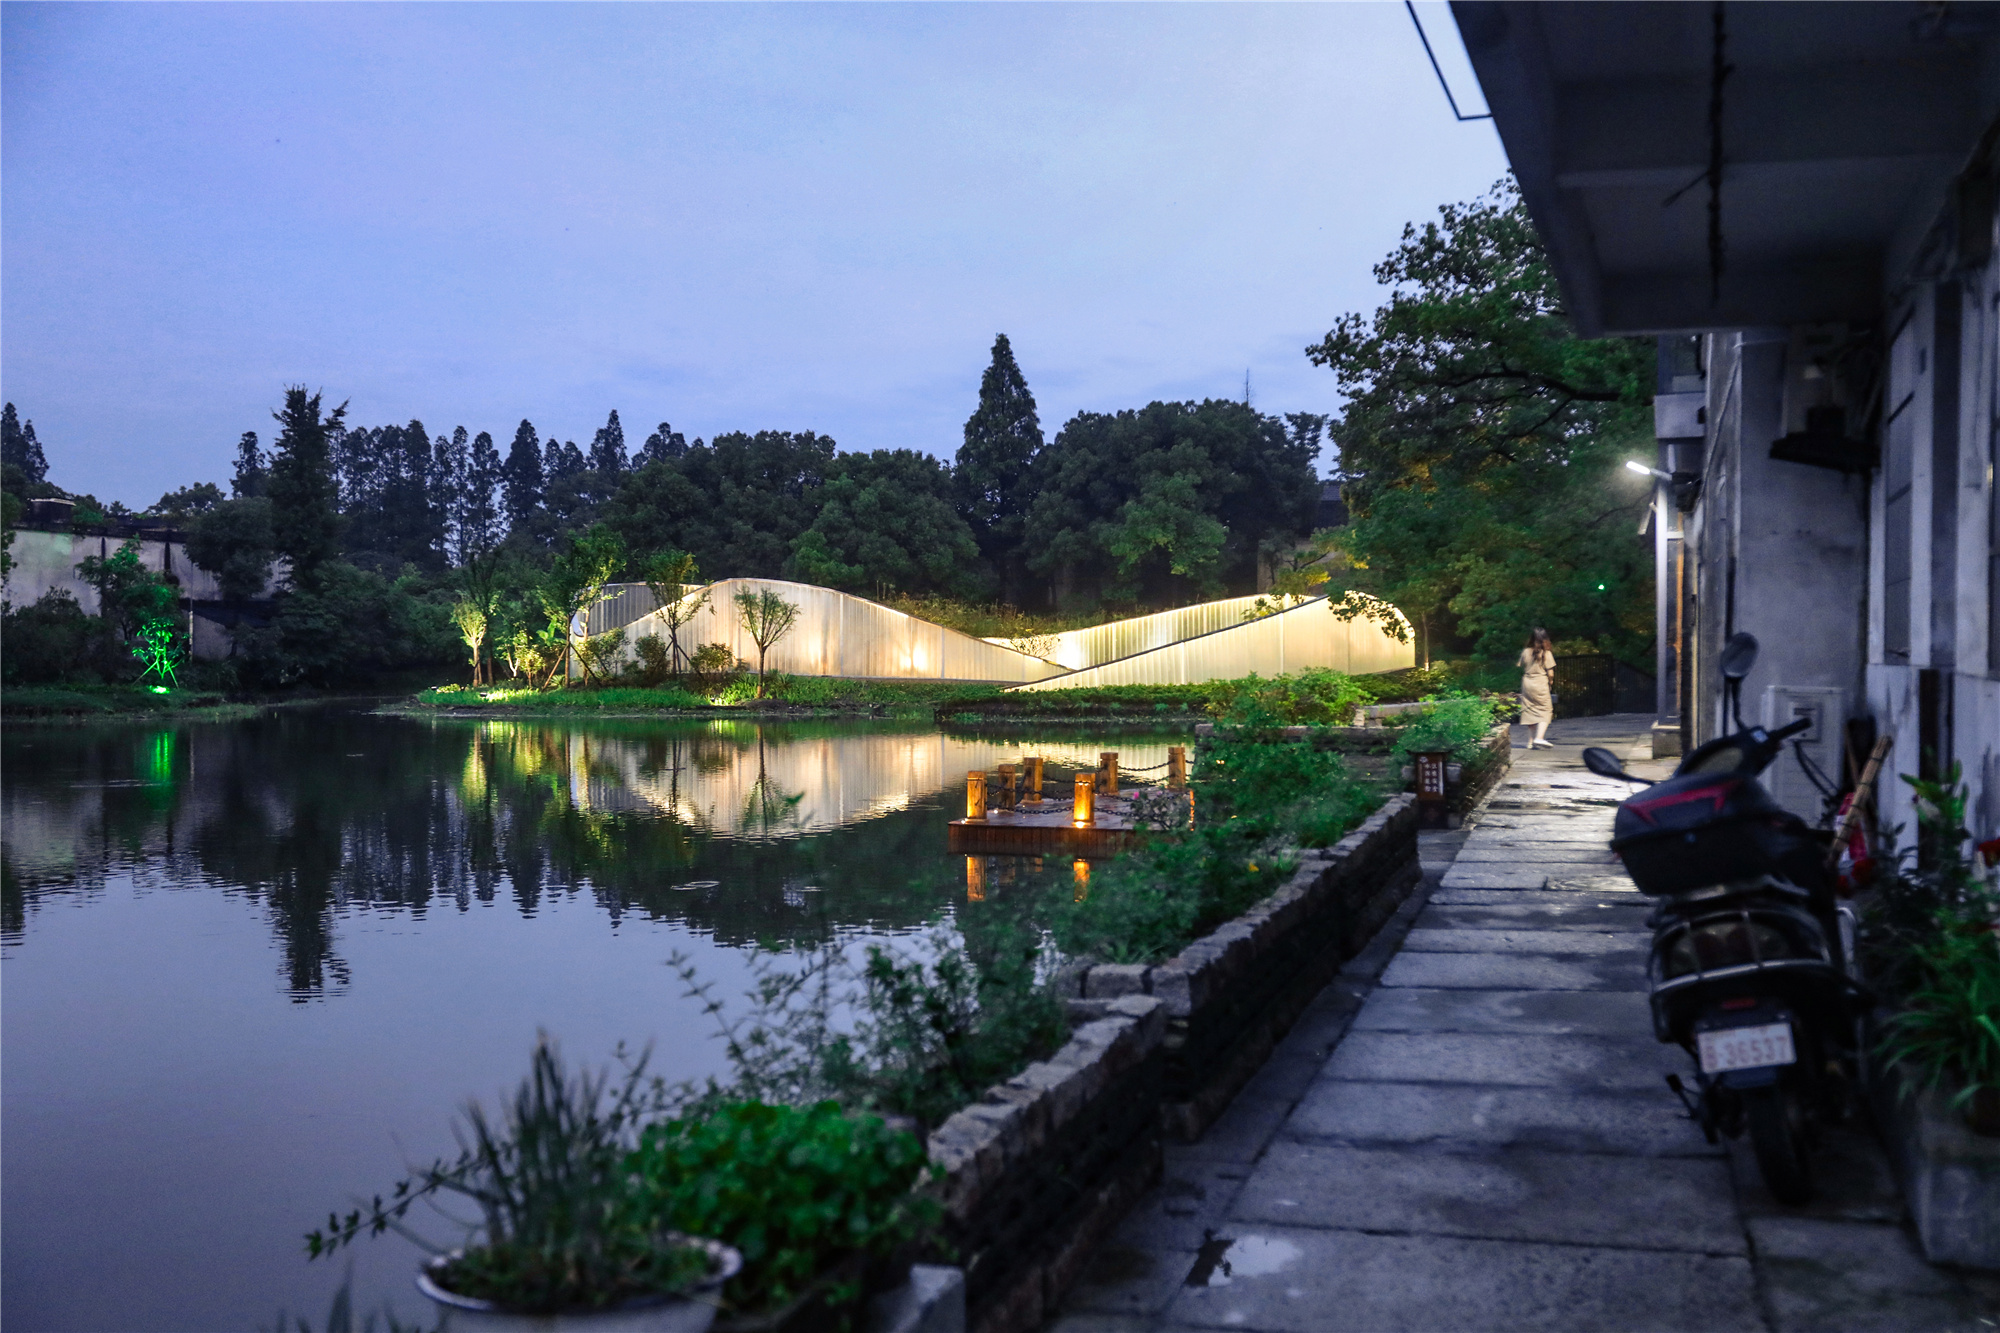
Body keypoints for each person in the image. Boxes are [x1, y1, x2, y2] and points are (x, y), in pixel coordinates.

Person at [1518, 628, 1556, 749]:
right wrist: (1551, 682)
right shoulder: (1546, 653)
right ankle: (1539, 738)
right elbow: (1550, 673)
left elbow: (1520, 665)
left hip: (1527, 682)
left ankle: (1530, 741)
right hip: (1540, 682)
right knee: (1546, 709)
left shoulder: (1525, 652)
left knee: (1529, 709)